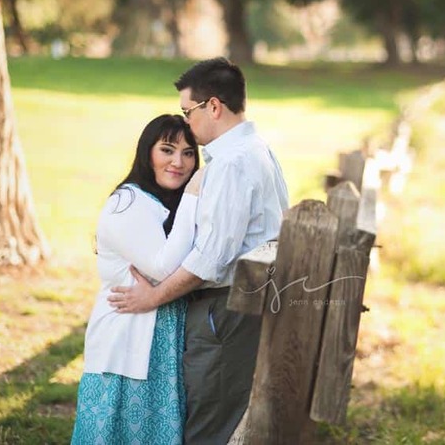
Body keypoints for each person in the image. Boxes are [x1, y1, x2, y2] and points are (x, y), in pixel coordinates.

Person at [108, 57, 290, 444]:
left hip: (225, 311)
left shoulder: (230, 164)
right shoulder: (258, 149)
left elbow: (209, 261)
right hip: (247, 306)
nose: (186, 123)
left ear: (213, 107)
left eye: (187, 112)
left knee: (209, 425)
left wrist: (152, 297)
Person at [71, 114, 201, 444]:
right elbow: (163, 268)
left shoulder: (163, 204)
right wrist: (193, 197)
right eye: (167, 150)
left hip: (160, 350)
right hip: (125, 345)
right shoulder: (128, 203)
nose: (179, 162)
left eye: (188, 153)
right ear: (147, 153)